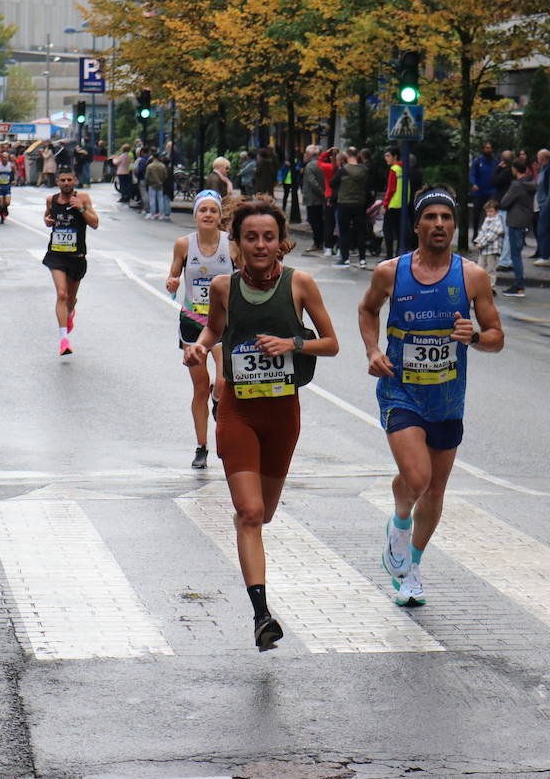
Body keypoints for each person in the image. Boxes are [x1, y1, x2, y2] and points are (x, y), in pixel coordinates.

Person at [184, 199, 339, 650]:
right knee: (249, 513)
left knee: (264, 513)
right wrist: (198, 347)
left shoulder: (300, 285)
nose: (259, 245)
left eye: (267, 237)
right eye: (250, 237)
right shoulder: (223, 287)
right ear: (236, 244)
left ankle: (259, 596)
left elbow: (330, 343)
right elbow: (212, 332)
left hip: (282, 414)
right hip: (238, 410)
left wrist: (292, 342)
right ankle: (261, 615)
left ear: (280, 242)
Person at [360, 186, 505, 607]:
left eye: (447, 217)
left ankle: (411, 566)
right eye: (431, 217)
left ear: (455, 225)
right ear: (418, 224)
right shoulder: (391, 272)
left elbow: (497, 337)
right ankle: (400, 521)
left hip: (447, 398)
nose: (439, 224)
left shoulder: (472, 277)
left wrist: (475, 336)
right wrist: (372, 349)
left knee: (435, 490)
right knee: (418, 478)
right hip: (400, 391)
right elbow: (368, 310)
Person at [168, 191, 234, 469]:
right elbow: (173, 274)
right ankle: (201, 446)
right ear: (195, 215)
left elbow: (245, 276)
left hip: (224, 321)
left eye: (213, 210)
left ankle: (219, 403)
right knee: (199, 388)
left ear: (220, 216)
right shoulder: (184, 245)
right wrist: (171, 282)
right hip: (193, 321)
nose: (208, 215)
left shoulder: (231, 245)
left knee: (221, 382)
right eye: (203, 210)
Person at [42, 168, 99, 356]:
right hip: (56, 255)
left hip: (77, 256)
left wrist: (80, 209)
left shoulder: (82, 198)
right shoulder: (52, 200)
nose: (66, 183)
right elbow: (48, 218)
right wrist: (47, 221)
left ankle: (70, 312)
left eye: (69, 180)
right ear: (57, 182)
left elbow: (95, 223)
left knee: (71, 300)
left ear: (75, 180)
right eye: (62, 180)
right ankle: (63, 340)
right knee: (62, 294)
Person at [499, 158, 536, 297]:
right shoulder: (530, 184)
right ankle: (518, 284)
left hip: (515, 221)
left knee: (515, 256)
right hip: (525, 221)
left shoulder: (516, 185)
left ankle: (519, 285)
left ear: (514, 169)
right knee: (517, 254)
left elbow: (504, 201)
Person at [332, 148, 371, 268]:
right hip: (359, 204)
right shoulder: (364, 170)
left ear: (347, 156)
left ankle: (345, 258)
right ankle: (362, 259)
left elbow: (332, 183)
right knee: (360, 231)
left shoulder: (343, 170)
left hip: (344, 203)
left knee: (345, 232)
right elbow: (368, 186)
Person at [472, 198, 505, 291]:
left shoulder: (498, 221)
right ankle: (479, 286)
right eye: (487, 211)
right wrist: (477, 241)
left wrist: (481, 243)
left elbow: (492, 235)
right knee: (480, 268)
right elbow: (482, 232)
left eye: (491, 211)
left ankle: (491, 287)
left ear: (497, 211)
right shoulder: (487, 220)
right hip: (484, 250)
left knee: (490, 269)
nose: (489, 214)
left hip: (492, 250)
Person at [469, 142, 497, 242]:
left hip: (491, 191)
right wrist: (473, 184)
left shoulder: (494, 162)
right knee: (476, 213)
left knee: (490, 211)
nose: (488, 150)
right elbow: (472, 174)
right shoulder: (477, 161)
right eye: (486, 148)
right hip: (479, 192)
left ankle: (488, 233)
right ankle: (475, 232)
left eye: (489, 148)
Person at [301, 145, 326, 253]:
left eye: (306, 153)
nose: (305, 156)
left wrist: (322, 193)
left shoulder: (310, 166)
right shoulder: (322, 164)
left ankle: (317, 243)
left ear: (310, 154)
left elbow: (312, 182)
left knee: (314, 221)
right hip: (321, 198)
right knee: (320, 220)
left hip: (313, 198)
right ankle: (322, 241)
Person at [380, 148, 404, 259]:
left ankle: (389, 256)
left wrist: (385, 205)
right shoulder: (402, 168)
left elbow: (391, 189)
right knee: (399, 230)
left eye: (388, 156)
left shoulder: (394, 169)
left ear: (395, 156)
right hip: (401, 203)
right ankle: (399, 254)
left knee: (387, 230)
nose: (386, 159)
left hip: (393, 204)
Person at [0, 150, 15, 224]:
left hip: (7, 187)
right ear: (1, 158)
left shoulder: (11, 165)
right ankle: (2, 218)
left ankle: (5, 209)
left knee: (7, 202)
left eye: (6, 157)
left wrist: (15, 180)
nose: (5, 159)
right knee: (1, 204)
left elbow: (15, 173)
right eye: (4, 157)